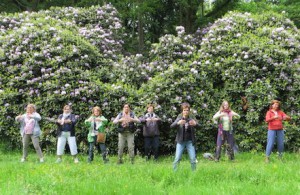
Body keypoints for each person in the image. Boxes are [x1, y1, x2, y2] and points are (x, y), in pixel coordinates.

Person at [171, 103, 198, 171]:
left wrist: (195, 124)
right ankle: (174, 173)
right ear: (182, 111)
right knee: (177, 158)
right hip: (180, 141)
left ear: (189, 111)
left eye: (187, 110)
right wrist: (178, 123)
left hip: (190, 141)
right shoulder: (179, 117)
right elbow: (171, 126)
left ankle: (194, 173)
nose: (186, 112)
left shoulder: (191, 118)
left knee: (193, 159)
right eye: (184, 110)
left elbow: (200, 126)